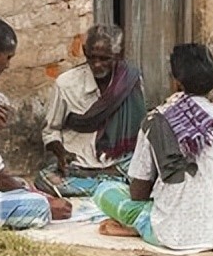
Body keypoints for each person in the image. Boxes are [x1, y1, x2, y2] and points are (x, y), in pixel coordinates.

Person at [93, 43, 213, 251]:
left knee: (104, 191)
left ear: (176, 83)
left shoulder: (155, 120)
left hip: (172, 234)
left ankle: (140, 226)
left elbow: (138, 193)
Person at [0, 17, 71, 228]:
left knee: (25, 186)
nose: (7, 65)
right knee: (37, 206)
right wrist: (43, 200)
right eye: (7, 57)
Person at [39, 24, 146, 197]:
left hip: (118, 164)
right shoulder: (66, 84)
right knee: (45, 179)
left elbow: (140, 131)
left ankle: (105, 186)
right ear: (84, 51)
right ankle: (111, 189)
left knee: (148, 172)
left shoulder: (130, 80)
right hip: (81, 165)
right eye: (92, 57)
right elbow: (51, 130)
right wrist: (61, 154)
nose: (97, 64)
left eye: (105, 59)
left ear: (118, 55)